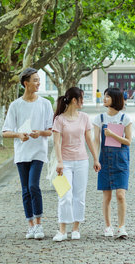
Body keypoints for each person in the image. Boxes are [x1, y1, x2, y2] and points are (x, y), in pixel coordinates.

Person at [2, 68, 54, 240]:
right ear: (26, 83)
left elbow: (50, 131)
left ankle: (39, 224)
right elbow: (6, 132)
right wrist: (18, 134)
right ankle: (30, 225)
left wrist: (39, 132)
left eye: (39, 80)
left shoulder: (45, 104)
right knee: (25, 190)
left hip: (38, 151)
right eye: (35, 80)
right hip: (22, 153)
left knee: (33, 186)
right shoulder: (15, 105)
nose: (38, 83)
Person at [52, 87, 101, 242]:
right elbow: (56, 143)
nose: (83, 101)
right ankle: (62, 230)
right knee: (64, 196)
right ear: (74, 100)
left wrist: (96, 158)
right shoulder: (59, 119)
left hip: (81, 161)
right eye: (82, 98)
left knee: (79, 196)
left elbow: (89, 139)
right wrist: (59, 161)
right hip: (64, 163)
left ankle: (76, 228)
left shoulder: (85, 117)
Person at [92, 88, 132, 239]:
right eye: (104, 96)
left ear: (115, 99)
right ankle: (108, 226)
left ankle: (122, 227)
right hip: (104, 159)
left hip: (121, 159)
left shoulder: (125, 118)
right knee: (106, 196)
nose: (104, 99)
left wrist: (113, 134)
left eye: (107, 96)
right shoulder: (100, 118)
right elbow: (96, 140)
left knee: (121, 195)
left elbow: (128, 141)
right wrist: (95, 158)